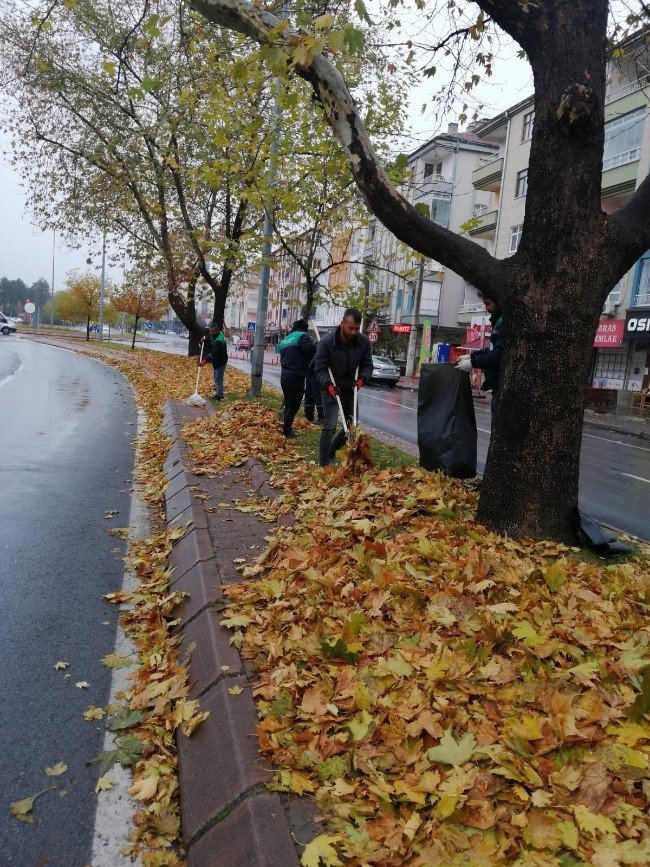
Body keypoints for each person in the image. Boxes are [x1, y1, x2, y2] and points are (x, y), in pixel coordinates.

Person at [314, 308, 373, 466]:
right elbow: (320, 368)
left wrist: (362, 379)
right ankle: (324, 463)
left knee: (352, 426)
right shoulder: (326, 342)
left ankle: (338, 454)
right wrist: (328, 385)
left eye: (356, 328)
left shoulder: (363, 342)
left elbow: (367, 365)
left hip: (350, 389)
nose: (354, 332)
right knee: (330, 425)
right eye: (350, 328)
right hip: (331, 389)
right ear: (342, 324)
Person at [455, 295, 506, 413]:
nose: (486, 308)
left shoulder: (503, 322)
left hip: (500, 385)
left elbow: (498, 355)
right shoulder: (498, 321)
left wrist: (472, 363)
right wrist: (471, 356)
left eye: (488, 304)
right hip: (497, 385)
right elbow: (491, 350)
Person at [277, 319, 317, 438]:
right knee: (293, 406)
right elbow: (311, 350)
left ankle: (286, 429)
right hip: (296, 376)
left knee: (288, 403)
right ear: (304, 328)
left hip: (284, 375)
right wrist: (317, 345)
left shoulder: (286, 339)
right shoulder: (302, 336)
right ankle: (287, 431)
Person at [200, 321, 229, 400]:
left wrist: (205, 360)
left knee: (218, 378)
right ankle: (219, 394)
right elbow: (210, 339)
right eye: (210, 331)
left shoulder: (219, 341)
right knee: (217, 377)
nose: (211, 333)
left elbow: (214, 353)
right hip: (218, 360)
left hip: (221, 361)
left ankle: (219, 395)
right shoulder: (218, 334)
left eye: (213, 331)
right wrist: (205, 341)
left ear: (216, 330)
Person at [303, 355, 325, 424]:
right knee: (309, 394)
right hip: (310, 371)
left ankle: (321, 417)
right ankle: (309, 415)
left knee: (317, 395)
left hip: (316, 372)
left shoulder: (319, 345)